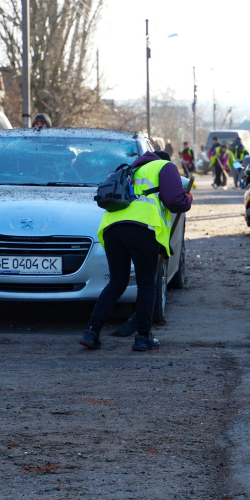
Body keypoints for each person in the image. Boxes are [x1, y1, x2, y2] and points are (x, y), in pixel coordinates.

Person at [80, 150, 193, 352]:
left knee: (117, 282)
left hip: (112, 228)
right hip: (142, 228)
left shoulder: (132, 169)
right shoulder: (165, 167)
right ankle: (143, 338)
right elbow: (175, 200)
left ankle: (91, 332)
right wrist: (188, 199)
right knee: (147, 283)